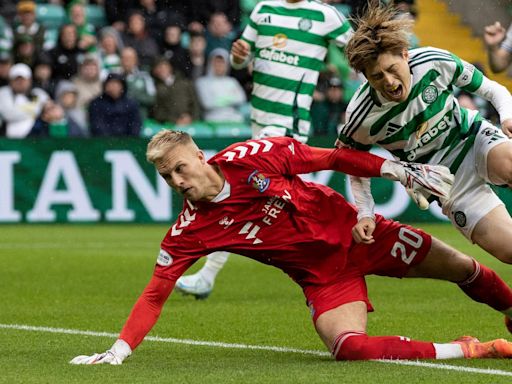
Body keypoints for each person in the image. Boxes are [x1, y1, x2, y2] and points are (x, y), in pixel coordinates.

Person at [70, 130, 512, 365]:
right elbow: (155, 292)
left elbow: (333, 159)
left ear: (201, 155)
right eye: (166, 177)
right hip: (324, 277)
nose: (177, 182)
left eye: (180, 169)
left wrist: (393, 169)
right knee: (348, 349)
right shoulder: (189, 230)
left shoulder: (255, 156)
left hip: (364, 236)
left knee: (465, 270)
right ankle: (473, 348)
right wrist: (118, 351)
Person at [176, 0, 356, 299]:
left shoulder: (325, 16)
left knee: (237, 191)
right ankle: (347, 251)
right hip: (259, 122)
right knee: (279, 203)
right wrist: (238, 56)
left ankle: (208, 275)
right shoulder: (262, 10)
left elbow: (359, 50)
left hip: (287, 127)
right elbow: (239, 60)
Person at [335, 3, 512, 264]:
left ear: (405, 55)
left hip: (472, 139)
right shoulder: (361, 116)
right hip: (443, 182)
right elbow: (353, 165)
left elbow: (492, 89)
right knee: (508, 251)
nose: (390, 82)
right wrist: (365, 213)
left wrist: (507, 117)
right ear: (366, 78)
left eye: (392, 69)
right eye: (377, 77)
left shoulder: (434, 62)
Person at [0, 63, 49, 138]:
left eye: (23, 79)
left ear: (29, 80)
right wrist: (34, 110)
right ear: (10, 81)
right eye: (17, 79)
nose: (20, 82)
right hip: (6, 139)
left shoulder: (38, 93)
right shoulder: (3, 93)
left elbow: (52, 110)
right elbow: (8, 114)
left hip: (34, 138)